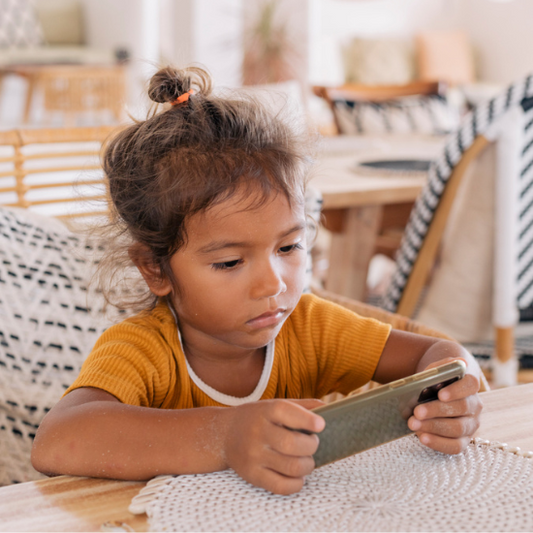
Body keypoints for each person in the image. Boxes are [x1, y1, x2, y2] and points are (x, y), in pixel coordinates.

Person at [31, 66, 483, 496]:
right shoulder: (142, 350)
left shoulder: (311, 328)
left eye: (288, 248)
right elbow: (56, 441)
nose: (273, 284)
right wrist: (227, 435)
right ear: (155, 269)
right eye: (229, 262)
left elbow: (439, 354)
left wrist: (455, 393)